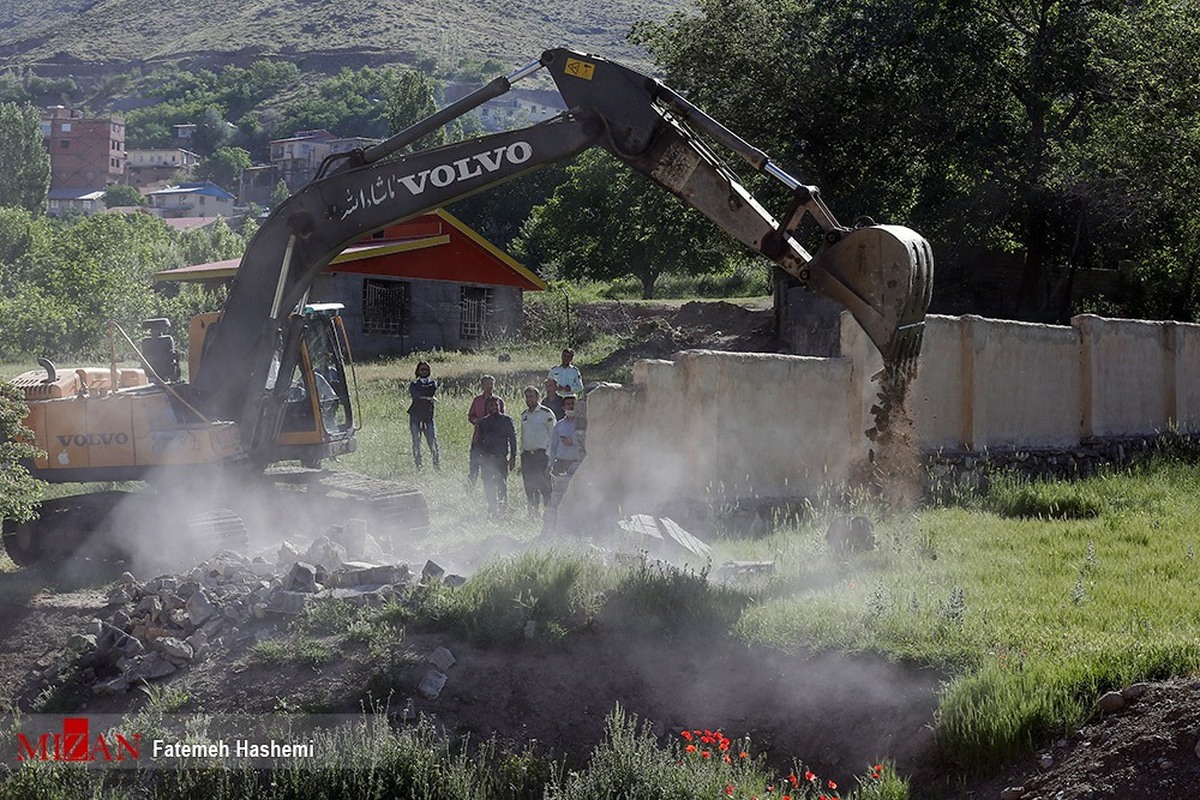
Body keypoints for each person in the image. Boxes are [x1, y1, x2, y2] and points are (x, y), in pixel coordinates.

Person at [476, 395, 516, 517]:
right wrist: (479, 458)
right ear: (487, 407)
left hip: (501, 458)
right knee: (488, 484)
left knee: (502, 483)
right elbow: (479, 441)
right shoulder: (483, 422)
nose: (494, 407)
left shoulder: (506, 420)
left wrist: (513, 458)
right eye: (491, 405)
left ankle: (503, 506)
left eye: (496, 405)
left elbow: (512, 439)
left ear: (499, 406)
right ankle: (492, 507)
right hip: (487, 459)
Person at [519, 385, 557, 515]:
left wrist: (549, 457)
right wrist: (522, 453)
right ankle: (533, 515)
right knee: (530, 487)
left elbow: (553, 435)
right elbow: (523, 436)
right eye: (527, 397)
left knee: (545, 487)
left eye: (531, 397)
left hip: (542, 456)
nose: (529, 399)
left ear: (537, 397)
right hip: (528, 456)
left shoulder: (546, 413)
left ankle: (549, 515)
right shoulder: (524, 415)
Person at [467, 374, 504, 488]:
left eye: (491, 383)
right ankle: (470, 487)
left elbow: (503, 417)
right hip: (478, 437)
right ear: (482, 385)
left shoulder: (499, 401)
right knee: (474, 464)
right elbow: (471, 416)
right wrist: (477, 421)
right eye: (487, 383)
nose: (489, 386)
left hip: (492, 440)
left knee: (490, 467)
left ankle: (491, 489)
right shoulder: (477, 400)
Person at [406, 361, 439, 470]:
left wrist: (424, 396)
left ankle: (436, 465)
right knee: (416, 442)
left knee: (433, 442)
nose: (425, 371)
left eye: (426, 369)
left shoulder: (433, 382)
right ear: (418, 371)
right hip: (415, 416)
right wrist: (429, 398)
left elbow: (431, 390)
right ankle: (418, 466)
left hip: (428, 417)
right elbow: (416, 395)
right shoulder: (414, 384)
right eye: (422, 369)